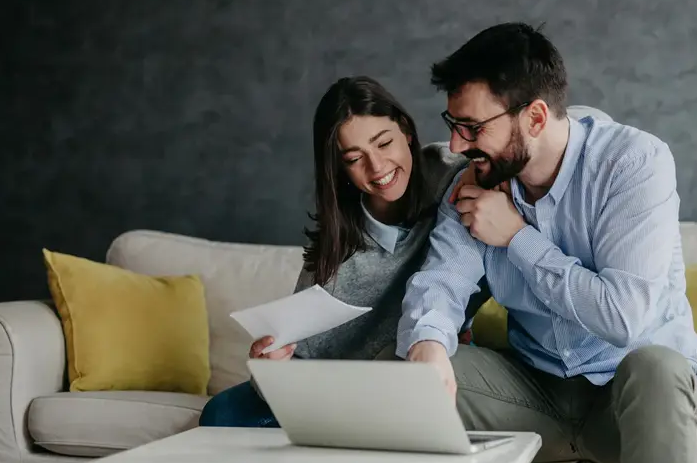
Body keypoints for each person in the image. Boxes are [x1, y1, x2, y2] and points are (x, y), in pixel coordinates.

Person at [395, 22, 697, 463]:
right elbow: (440, 282)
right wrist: (427, 344)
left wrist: (518, 238)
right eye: (452, 124)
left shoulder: (633, 164)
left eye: (471, 127)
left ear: (536, 117)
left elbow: (626, 319)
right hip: (537, 396)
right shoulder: (474, 181)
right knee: (400, 364)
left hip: (633, 404)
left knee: (658, 368)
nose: (455, 145)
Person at [198, 75, 485, 428]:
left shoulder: (456, 173)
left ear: (406, 132)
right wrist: (269, 364)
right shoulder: (337, 260)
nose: (377, 167)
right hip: (341, 389)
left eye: (384, 143)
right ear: (341, 169)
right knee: (221, 413)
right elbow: (288, 369)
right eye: (354, 158)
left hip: (425, 366)